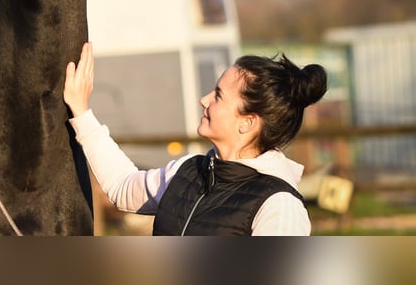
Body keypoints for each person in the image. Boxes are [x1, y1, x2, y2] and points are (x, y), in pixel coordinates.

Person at [63, 42, 328, 235]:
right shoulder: (187, 171)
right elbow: (123, 187)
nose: (204, 100)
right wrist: (81, 110)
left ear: (248, 122)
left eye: (218, 96)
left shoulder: (279, 207)